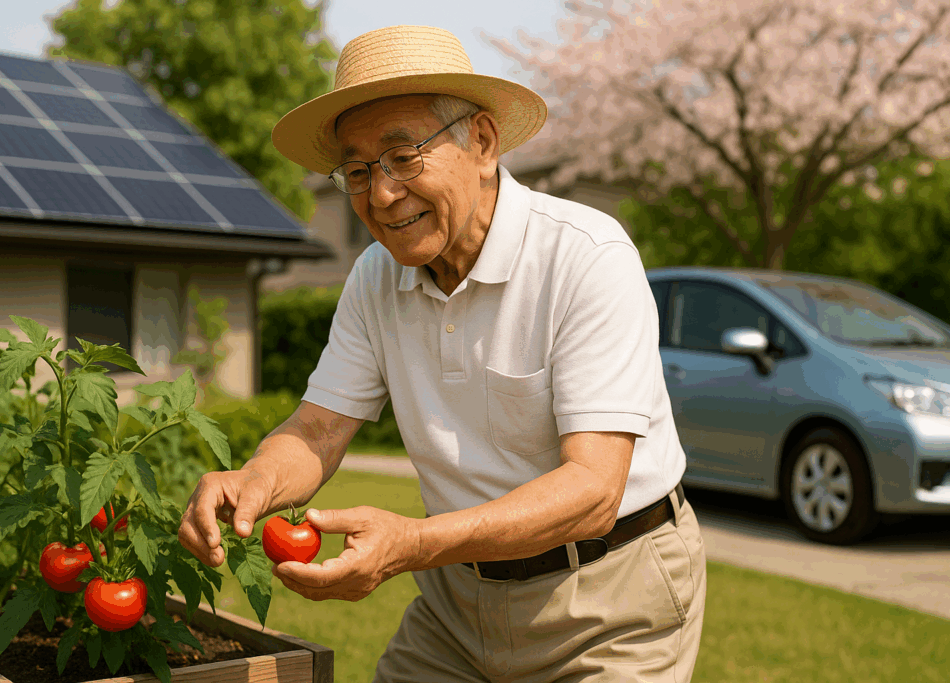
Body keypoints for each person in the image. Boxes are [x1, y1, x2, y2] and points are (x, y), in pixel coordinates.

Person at [178, 24, 707, 682]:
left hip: (610, 600)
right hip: (457, 608)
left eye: (404, 157)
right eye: (359, 170)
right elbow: (318, 427)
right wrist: (255, 481)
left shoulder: (585, 256)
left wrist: (413, 543)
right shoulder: (375, 279)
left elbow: (593, 490)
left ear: (482, 143)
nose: (381, 195)